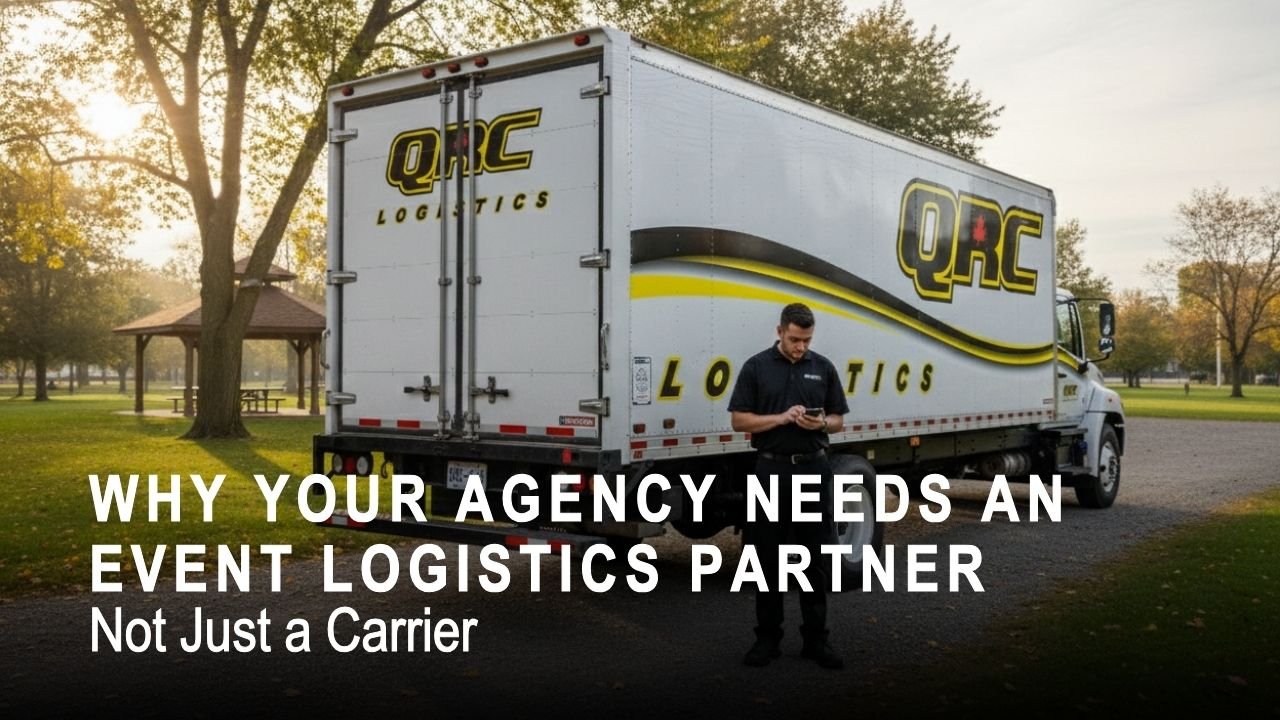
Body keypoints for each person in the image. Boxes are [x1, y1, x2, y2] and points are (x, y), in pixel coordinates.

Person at [727, 302, 848, 670]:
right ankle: (767, 640)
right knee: (767, 560)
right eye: (795, 339)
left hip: (814, 470)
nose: (801, 347)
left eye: (807, 340)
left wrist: (821, 424)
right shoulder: (756, 367)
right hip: (771, 471)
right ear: (780, 331)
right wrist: (780, 418)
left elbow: (839, 419)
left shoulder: (822, 367)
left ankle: (816, 641)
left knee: (815, 560)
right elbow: (738, 420)